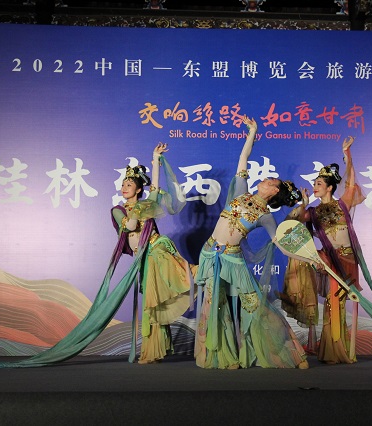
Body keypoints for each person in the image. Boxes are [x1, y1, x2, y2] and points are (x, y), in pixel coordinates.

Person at [194, 116, 309, 369]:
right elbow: (243, 158)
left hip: (233, 260)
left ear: (274, 192)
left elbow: (280, 243)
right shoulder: (241, 192)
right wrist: (252, 132)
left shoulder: (266, 216)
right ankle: (222, 356)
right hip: (210, 254)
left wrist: (308, 258)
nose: (265, 180)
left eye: (270, 181)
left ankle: (286, 353)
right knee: (214, 306)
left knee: (254, 304)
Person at [284, 135, 364, 364]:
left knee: (339, 302)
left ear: (329, 187)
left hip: (347, 261)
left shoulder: (342, 204)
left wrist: (347, 154)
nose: (315, 187)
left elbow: (351, 181)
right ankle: (332, 350)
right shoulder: (314, 212)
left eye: (319, 184)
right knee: (332, 302)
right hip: (328, 261)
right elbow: (293, 224)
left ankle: (338, 349)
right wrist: (303, 203)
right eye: (315, 183)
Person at [111, 143, 191, 364]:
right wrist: (138, 210)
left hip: (156, 250)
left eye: (129, 184)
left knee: (154, 300)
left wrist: (155, 159)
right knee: (152, 301)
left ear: (139, 189)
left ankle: (152, 351)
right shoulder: (118, 210)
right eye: (123, 184)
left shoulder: (147, 204)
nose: (124, 187)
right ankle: (155, 349)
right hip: (143, 257)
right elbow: (129, 227)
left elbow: (155, 187)